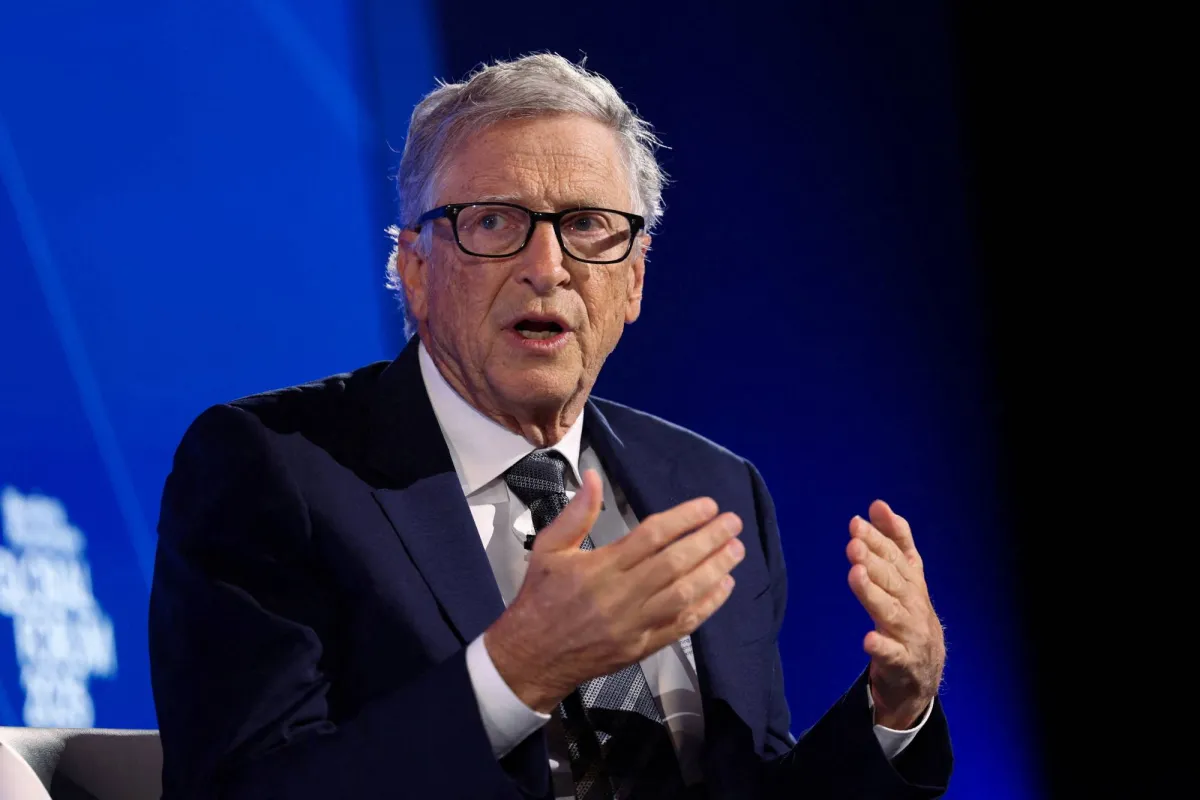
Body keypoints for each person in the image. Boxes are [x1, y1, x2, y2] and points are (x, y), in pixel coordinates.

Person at [148, 53, 952, 799]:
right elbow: (246, 789)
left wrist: (895, 711)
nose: (548, 267)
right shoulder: (276, 471)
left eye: (588, 225)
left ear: (633, 282)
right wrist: (518, 670)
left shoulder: (713, 488)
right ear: (415, 269)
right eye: (494, 222)